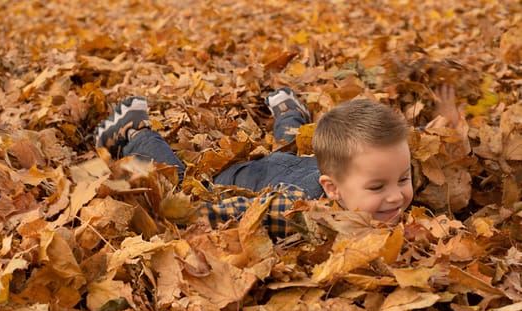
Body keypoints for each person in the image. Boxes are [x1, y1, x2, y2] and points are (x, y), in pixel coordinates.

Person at [94, 85, 461, 237]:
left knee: (293, 149)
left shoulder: (376, 167)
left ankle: (289, 111)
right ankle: (137, 134)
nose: (397, 196)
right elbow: (221, 212)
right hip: (255, 178)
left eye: (403, 178)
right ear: (331, 190)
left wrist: (445, 125)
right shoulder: (296, 211)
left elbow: (411, 146)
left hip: (304, 163)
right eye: (378, 187)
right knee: (193, 185)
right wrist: (186, 217)